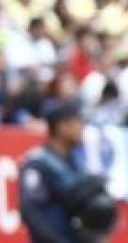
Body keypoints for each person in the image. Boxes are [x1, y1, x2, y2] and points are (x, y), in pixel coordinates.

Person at [19, 101, 118, 242]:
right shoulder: (38, 163)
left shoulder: (77, 161)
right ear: (62, 127)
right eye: (77, 123)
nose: (82, 128)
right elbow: (32, 213)